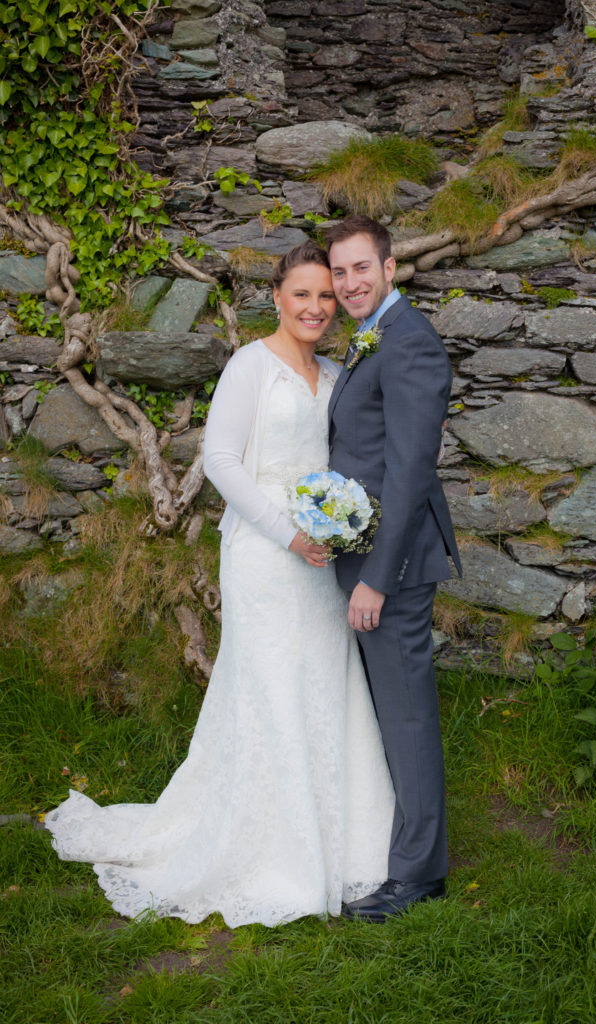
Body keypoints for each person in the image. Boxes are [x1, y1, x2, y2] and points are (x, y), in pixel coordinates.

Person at [45, 240, 395, 928]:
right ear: (275, 297)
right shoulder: (249, 366)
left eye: (327, 296)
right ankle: (269, 852)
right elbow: (223, 462)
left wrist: (335, 525)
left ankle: (345, 841)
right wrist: (290, 532)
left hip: (322, 560)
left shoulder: (334, 371)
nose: (317, 307)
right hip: (268, 557)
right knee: (267, 688)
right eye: (303, 294)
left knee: (323, 688)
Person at [326, 215, 462, 923]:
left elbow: (409, 471)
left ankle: (417, 876)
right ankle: (402, 848)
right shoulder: (372, 335)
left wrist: (376, 577)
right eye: (339, 271)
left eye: (360, 268)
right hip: (369, 554)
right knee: (389, 712)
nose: (349, 283)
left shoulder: (408, 342)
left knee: (407, 718)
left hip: (395, 565)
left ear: (389, 268)